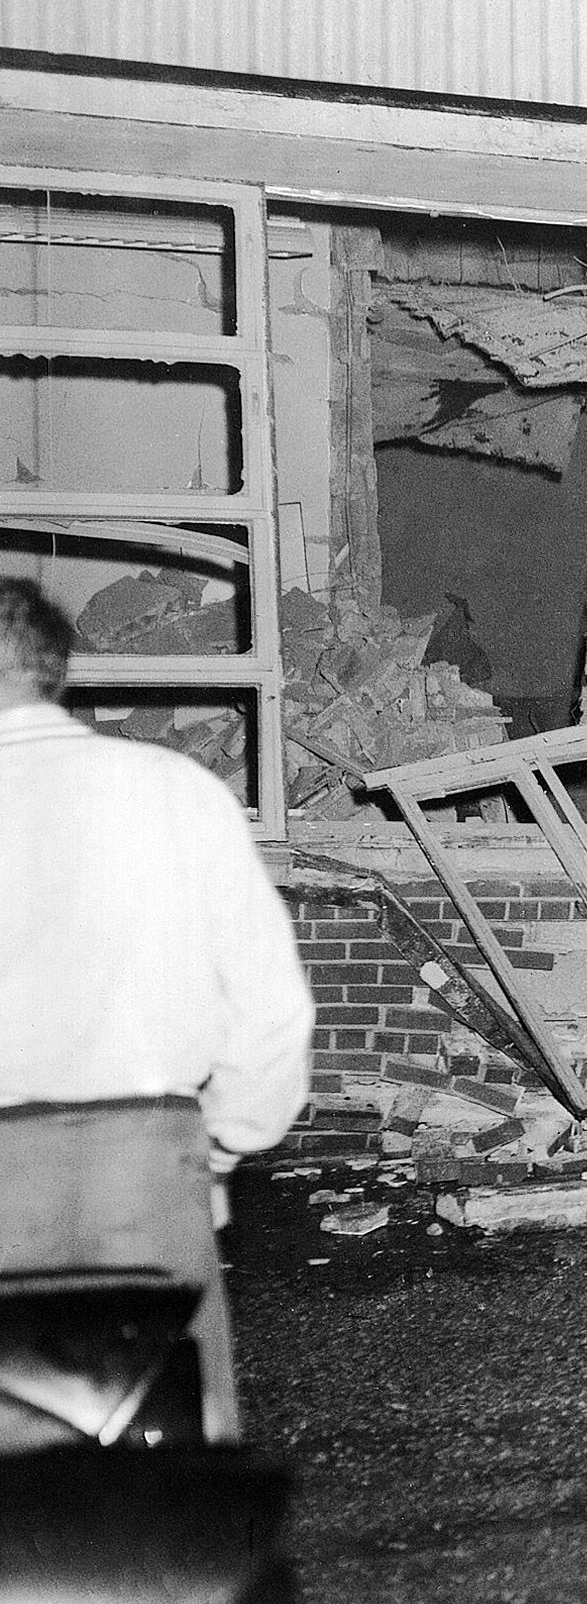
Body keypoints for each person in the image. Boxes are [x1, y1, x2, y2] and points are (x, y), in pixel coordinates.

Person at [0, 577, 314, 1441]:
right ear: (54, 672)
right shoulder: (176, 792)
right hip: (146, 1168)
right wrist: (217, 1145)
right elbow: (271, 1009)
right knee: (163, 1476)